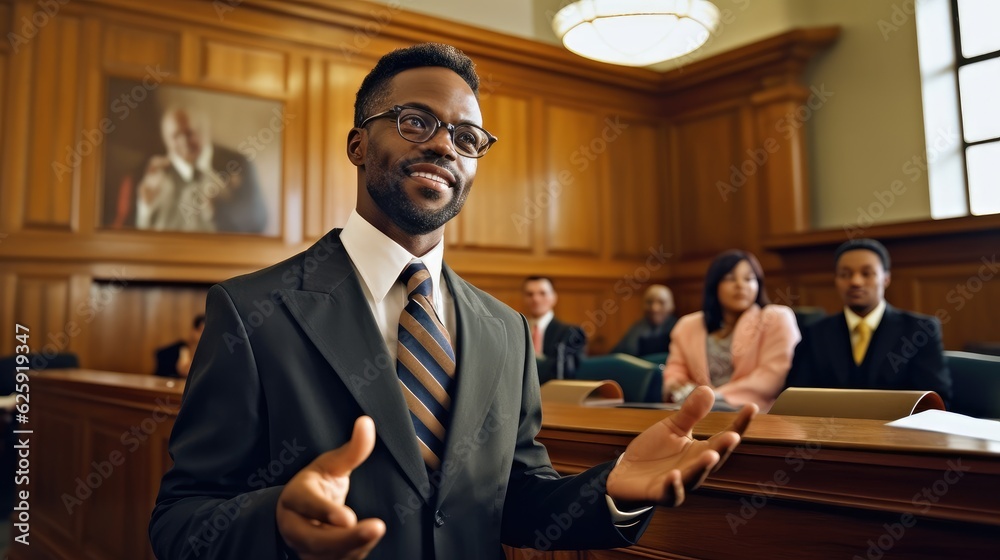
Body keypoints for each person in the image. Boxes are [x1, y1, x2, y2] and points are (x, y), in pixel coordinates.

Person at [148, 44, 756, 560]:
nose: (444, 145)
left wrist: (613, 492)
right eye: (416, 121)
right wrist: (276, 520)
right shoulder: (254, 311)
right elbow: (179, 522)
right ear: (358, 144)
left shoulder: (505, 330)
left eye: (466, 137)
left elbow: (513, 498)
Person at [786, 238, 952, 404]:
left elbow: (935, 401)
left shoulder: (919, 330)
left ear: (886, 279)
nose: (855, 282)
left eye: (866, 273)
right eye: (845, 274)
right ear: (836, 280)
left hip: (897, 429)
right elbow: (797, 399)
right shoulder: (814, 333)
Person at [663, 250, 800, 412]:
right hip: (694, 415)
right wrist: (678, 388)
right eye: (730, 278)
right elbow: (674, 373)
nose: (740, 285)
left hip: (755, 414)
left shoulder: (776, 318)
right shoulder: (687, 325)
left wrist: (712, 397)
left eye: (749, 279)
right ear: (714, 285)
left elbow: (770, 378)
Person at [135, 108, 268, 233]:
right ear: (166, 140)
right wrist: (146, 206)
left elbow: (258, 222)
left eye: (189, 133)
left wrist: (219, 209)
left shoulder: (239, 164)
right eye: (175, 136)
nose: (183, 142)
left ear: (204, 130)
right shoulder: (154, 172)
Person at [522, 276, 587, 378]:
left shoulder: (571, 333)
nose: (535, 299)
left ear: (554, 297)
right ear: (524, 299)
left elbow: (564, 372)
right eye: (530, 294)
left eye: (542, 293)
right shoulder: (518, 330)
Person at [610, 284, 677, 357]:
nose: (654, 308)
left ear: (671, 306)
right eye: (649, 302)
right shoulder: (637, 329)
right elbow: (617, 356)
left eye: (661, 302)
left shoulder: (678, 329)